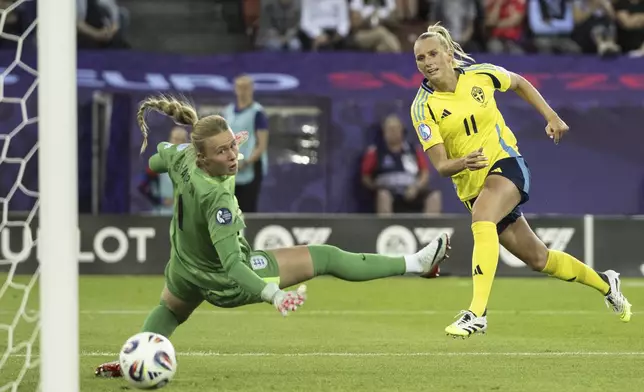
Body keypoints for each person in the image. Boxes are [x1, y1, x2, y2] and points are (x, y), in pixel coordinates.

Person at [94, 95, 451, 377]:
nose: (234, 156)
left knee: (169, 312)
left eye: (233, 145)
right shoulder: (217, 199)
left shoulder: (185, 157)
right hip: (225, 279)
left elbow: (157, 160)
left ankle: (131, 360)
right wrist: (273, 294)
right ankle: (416, 264)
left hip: (185, 269)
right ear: (204, 159)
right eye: (223, 151)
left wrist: (177, 155)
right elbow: (233, 265)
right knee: (325, 256)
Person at [410, 23, 632, 337]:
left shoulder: (480, 75)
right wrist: (463, 162)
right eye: (420, 58)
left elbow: (519, 83)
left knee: (483, 216)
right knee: (539, 258)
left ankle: (477, 313)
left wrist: (551, 115)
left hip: (507, 163)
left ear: (448, 54)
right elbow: (442, 167)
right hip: (474, 187)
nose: (428, 61)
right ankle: (606, 283)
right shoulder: (422, 107)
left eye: (433, 53)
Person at [222, 75, 269, 213]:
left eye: (246, 88)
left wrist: (246, 162)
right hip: (230, 168)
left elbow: (262, 144)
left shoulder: (257, 113)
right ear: (235, 90)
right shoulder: (228, 112)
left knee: (247, 208)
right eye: (240, 88)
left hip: (251, 166)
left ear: (251, 89)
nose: (242, 91)